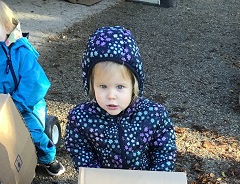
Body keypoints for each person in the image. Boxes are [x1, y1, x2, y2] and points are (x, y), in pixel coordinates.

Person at [64, 26, 176, 172]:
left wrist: (157, 177)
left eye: (120, 87)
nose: (111, 95)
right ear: (91, 85)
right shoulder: (81, 118)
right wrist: (95, 178)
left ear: (133, 85)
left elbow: (164, 150)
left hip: (142, 183)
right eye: (103, 86)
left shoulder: (153, 115)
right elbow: (80, 151)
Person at [0, 0, 65, 176]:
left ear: (7, 27)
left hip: (23, 104)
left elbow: (34, 83)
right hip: (1, 106)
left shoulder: (21, 51)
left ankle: (47, 158)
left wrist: (15, 105)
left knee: (32, 133)